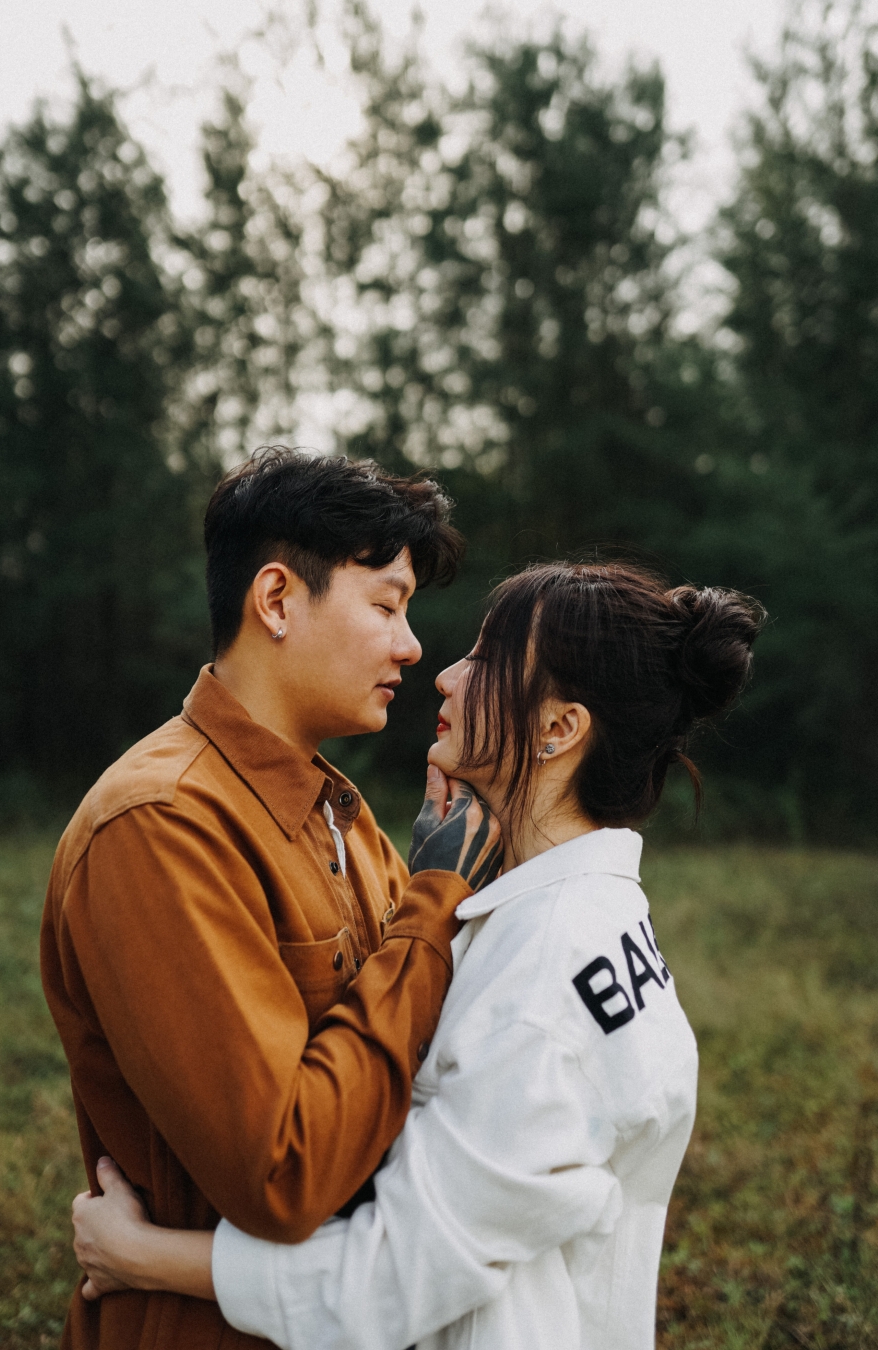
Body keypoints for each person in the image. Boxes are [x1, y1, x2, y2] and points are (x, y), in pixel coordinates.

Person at [70, 560, 765, 1350]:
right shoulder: (582, 920)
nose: (445, 676)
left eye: (487, 660)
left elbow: (389, 1280)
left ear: (559, 728)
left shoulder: (539, 983)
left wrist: (146, 1258)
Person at [41, 448, 503, 1350]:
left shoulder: (347, 815)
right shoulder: (160, 826)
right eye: (386, 604)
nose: (412, 645)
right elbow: (283, 1173)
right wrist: (434, 905)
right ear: (278, 599)